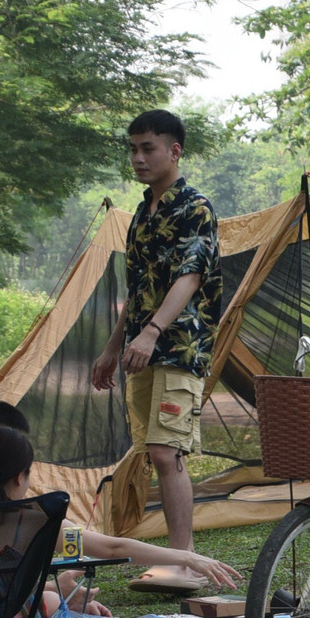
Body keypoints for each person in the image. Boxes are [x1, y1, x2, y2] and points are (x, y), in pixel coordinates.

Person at [92, 109, 222, 589]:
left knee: (168, 453)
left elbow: (190, 276)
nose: (138, 157)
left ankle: (184, 564)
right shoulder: (142, 213)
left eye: (148, 148)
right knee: (154, 451)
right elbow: (138, 290)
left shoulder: (195, 207)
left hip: (179, 347)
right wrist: (113, 346)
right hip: (141, 349)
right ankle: (176, 559)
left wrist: (152, 333)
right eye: (133, 148)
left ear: (174, 151)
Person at [0, 427, 240, 602]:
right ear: (21, 477)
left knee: (59, 601)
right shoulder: (32, 520)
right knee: (63, 609)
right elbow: (113, 548)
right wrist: (185, 556)